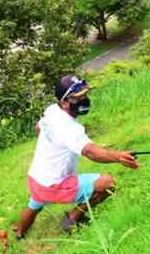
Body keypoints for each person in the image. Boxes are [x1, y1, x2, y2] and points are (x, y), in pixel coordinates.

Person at [12, 75, 140, 239]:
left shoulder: (52, 110)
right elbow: (90, 152)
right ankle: (72, 219)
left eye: (85, 95)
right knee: (107, 183)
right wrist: (118, 156)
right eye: (79, 98)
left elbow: (39, 128)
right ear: (65, 102)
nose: (84, 100)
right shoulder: (69, 128)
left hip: (37, 178)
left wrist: (51, 143)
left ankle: (19, 233)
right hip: (53, 184)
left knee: (36, 202)